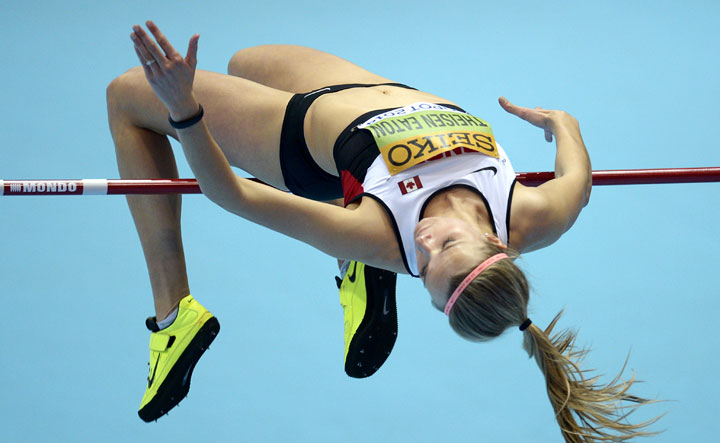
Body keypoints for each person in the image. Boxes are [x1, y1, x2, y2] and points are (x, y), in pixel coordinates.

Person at [107, 21, 658, 440]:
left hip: (309, 141)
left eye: (423, 273)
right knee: (245, 60)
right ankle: (360, 277)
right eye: (444, 244)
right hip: (371, 95)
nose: (422, 245)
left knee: (128, 94)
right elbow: (577, 182)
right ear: (497, 242)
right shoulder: (533, 217)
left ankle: (174, 316)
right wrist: (562, 122)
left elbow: (234, 193)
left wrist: (185, 111)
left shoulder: (384, 237)